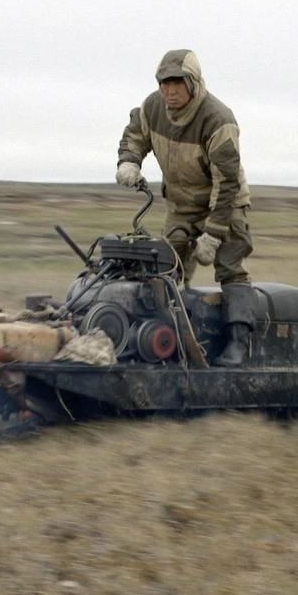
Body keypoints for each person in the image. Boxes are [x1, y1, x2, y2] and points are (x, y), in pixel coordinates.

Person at [115, 49, 253, 367]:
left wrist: (213, 235)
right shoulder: (153, 108)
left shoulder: (218, 120)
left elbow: (227, 183)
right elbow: (135, 134)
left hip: (225, 202)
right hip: (181, 203)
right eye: (164, 83)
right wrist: (129, 161)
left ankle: (239, 341)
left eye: (177, 83)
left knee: (230, 267)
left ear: (193, 82)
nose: (170, 90)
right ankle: (171, 340)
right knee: (166, 269)